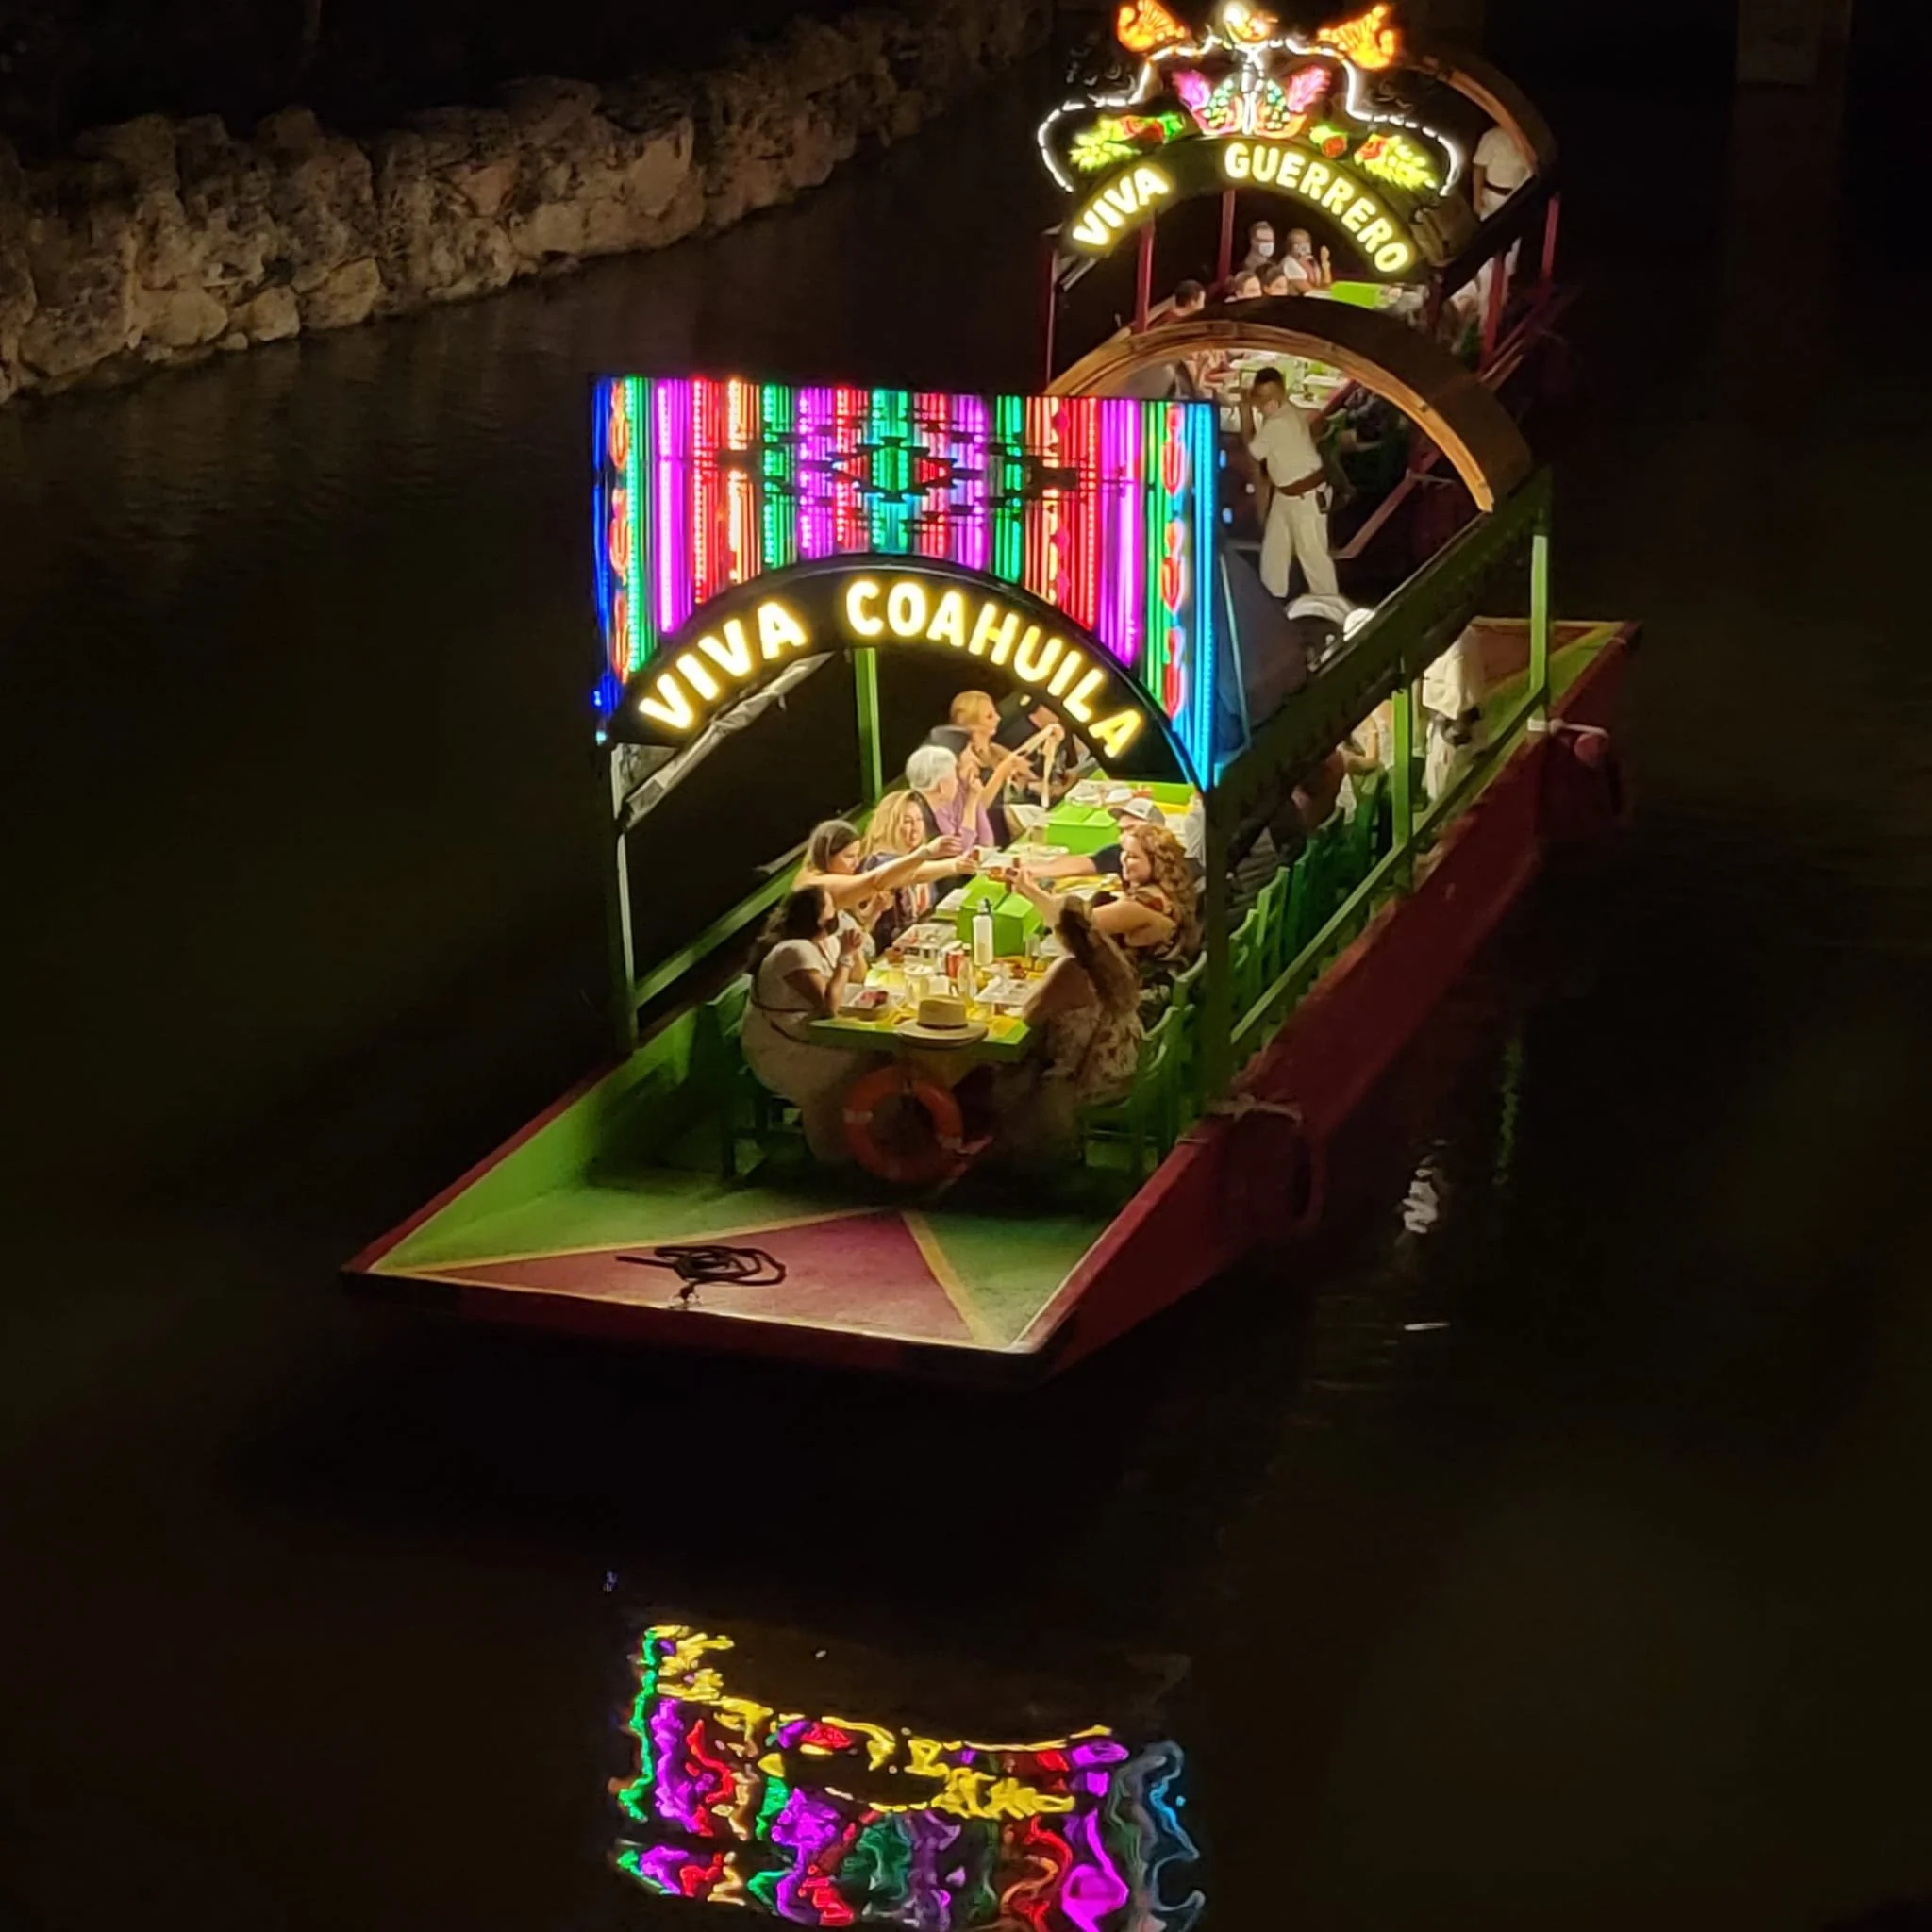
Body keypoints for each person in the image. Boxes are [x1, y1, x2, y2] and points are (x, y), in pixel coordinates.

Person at [987, 900, 1143, 1157]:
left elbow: (1029, 1014)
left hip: (1091, 1077)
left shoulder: (1069, 969)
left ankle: (1025, 1153)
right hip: (1122, 1058)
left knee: (1008, 1071)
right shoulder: (1108, 955)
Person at [741, 887, 875, 1161]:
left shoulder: (819, 944)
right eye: (830, 909)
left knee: (873, 1054)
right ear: (816, 919)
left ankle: (861, 1136)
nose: (836, 914)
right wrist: (845, 956)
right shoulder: (794, 951)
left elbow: (858, 980)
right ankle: (836, 1147)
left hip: (804, 1034)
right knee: (864, 1059)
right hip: (779, 1051)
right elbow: (829, 1006)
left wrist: (854, 949)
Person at [1015, 819, 1198, 1010]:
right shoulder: (1165, 890)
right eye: (1124, 854)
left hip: (1140, 1003)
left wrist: (1030, 891)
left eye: (1134, 857)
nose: (1124, 861)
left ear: (1157, 863)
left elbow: (1075, 923)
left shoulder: (1140, 906)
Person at [1242, 367, 1339, 602]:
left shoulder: (1279, 423)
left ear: (1281, 392)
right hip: (1285, 494)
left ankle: (1330, 606)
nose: (1268, 402)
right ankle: (1271, 600)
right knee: (1274, 552)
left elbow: (1251, 452)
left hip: (1305, 496)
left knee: (1313, 557)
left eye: (1271, 396)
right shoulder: (1284, 414)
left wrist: (1245, 412)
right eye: (1262, 397)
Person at [795, 816, 967, 937]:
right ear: (826, 855)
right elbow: (874, 882)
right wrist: (925, 853)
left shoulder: (834, 874)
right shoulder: (816, 885)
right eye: (849, 857)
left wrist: (954, 865)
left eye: (857, 855)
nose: (856, 863)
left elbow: (910, 876)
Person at [857, 790, 970, 948]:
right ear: (889, 824)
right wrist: (954, 865)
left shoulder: (917, 856)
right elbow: (912, 874)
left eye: (919, 820)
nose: (916, 828)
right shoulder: (877, 861)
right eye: (908, 821)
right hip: (890, 954)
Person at [907, 741, 997, 852]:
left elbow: (987, 841)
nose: (957, 783)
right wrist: (971, 803)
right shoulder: (924, 813)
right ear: (941, 786)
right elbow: (961, 849)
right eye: (954, 778)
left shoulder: (935, 803)